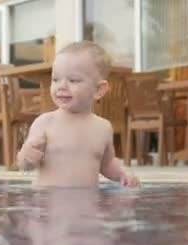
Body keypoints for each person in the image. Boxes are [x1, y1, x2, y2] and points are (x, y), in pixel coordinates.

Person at [16, 41, 138, 188]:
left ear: (99, 90)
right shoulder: (45, 123)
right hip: (48, 203)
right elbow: (26, 164)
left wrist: (122, 174)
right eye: (55, 79)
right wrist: (26, 158)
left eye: (73, 80)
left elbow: (107, 164)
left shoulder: (103, 128)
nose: (62, 86)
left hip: (88, 203)